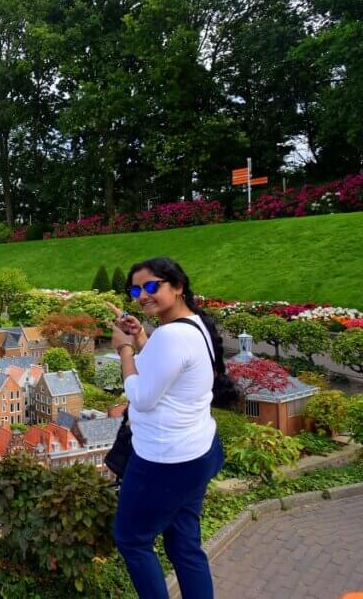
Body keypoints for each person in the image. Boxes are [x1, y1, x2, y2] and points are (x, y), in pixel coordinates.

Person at [110, 257, 228, 599]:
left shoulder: (172, 337)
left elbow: (142, 397)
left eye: (151, 286)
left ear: (177, 286)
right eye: (136, 289)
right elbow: (166, 370)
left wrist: (124, 349)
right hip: (197, 451)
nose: (142, 295)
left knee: (132, 539)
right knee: (184, 545)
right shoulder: (191, 325)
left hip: (165, 461)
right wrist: (142, 337)